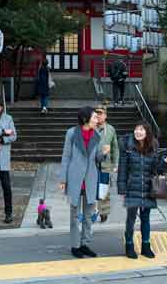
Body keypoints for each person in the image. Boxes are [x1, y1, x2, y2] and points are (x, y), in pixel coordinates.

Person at [59, 106, 109, 258]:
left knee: (88, 215)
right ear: (85, 119)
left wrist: (104, 154)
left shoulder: (97, 135)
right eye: (94, 117)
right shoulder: (72, 133)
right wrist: (63, 179)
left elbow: (97, 159)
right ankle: (75, 246)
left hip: (91, 178)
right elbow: (66, 156)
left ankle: (85, 244)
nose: (97, 119)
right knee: (74, 215)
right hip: (74, 178)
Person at [117, 122, 167, 259]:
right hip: (132, 187)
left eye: (141, 130)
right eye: (136, 129)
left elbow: (157, 170)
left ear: (147, 132)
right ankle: (129, 246)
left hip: (148, 188)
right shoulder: (127, 147)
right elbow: (122, 168)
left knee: (145, 218)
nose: (138, 132)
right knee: (130, 219)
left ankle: (146, 246)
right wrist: (122, 188)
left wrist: (165, 163)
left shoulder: (153, 147)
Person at [0, 96, 17, 224]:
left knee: (6, 186)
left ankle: (8, 213)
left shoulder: (8, 118)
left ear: (2, 107)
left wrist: (3, 139)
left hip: (4, 156)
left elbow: (14, 135)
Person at [94, 104, 119, 223]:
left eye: (100, 113)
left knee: (104, 190)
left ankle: (104, 212)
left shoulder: (110, 129)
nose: (98, 115)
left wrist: (115, 164)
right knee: (90, 189)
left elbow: (115, 148)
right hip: (91, 165)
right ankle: (91, 211)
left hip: (105, 165)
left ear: (105, 115)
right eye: (96, 113)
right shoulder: (90, 127)